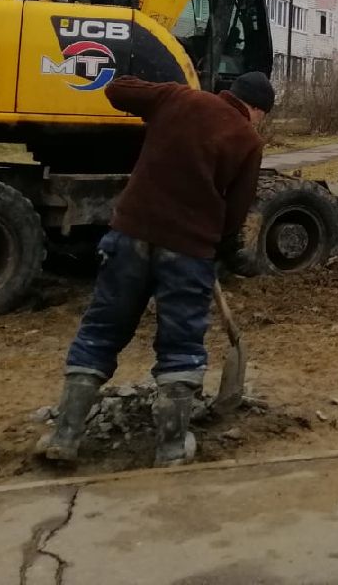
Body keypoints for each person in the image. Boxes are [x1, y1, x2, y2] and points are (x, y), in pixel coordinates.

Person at [37, 71, 274, 467]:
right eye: (262, 116)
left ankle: (65, 437)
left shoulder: (178, 97)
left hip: (130, 236)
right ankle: (171, 448)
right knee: (181, 344)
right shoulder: (248, 141)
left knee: (100, 332)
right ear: (256, 109)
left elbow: (117, 89)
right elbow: (235, 214)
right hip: (188, 251)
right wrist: (216, 250)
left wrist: (164, 90)